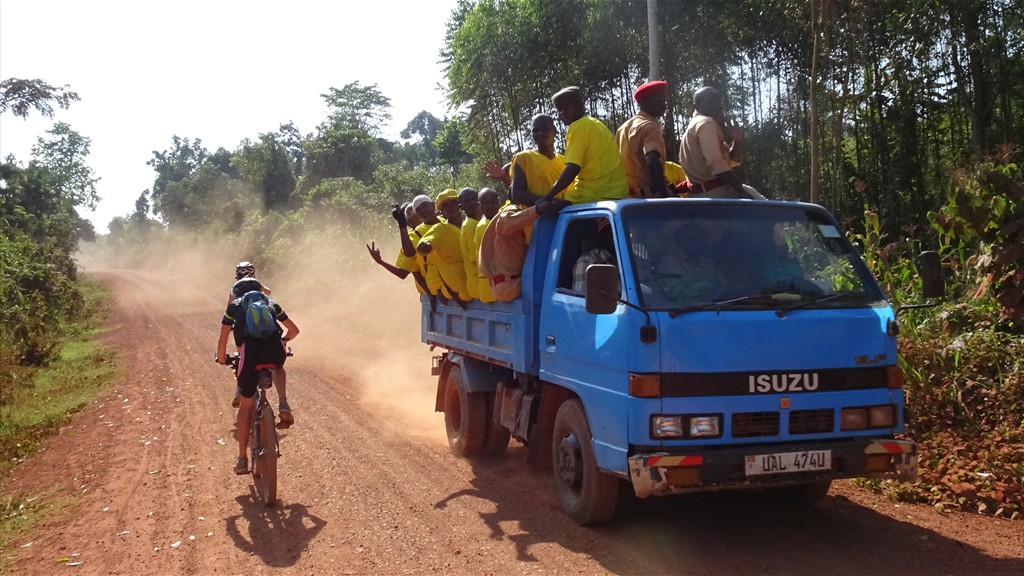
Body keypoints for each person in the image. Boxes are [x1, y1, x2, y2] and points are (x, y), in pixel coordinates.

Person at [217, 278, 300, 475]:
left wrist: (222, 359)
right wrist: (283, 340)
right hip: (274, 349)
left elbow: (223, 340)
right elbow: (294, 330)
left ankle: (242, 459)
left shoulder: (234, 307)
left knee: (246, 404)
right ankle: (283, 402)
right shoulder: (271, 304)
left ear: (236, 294)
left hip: (250, 354)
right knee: (278, 365)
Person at [541, 87, 628, 204]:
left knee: (548, 210)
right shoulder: (595, 123)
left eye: (566, 107)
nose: (562, 113)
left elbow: (572, 168)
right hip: (618, 193)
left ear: (579, 106)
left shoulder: (578, 127)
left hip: (592, 195)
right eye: (559, 109)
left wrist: (548, 196)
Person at [678, 86, 765, 199]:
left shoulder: (696, 125)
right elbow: (716, 163)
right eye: (710, 101)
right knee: (769, 211)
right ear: (696, 106)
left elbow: (731, 161)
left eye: (718, 102)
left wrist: (737, 140)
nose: (716, 105)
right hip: (716, 192)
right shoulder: (705, 123)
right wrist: (740, 191)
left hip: (703, 193)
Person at [479, 198, 571, 301]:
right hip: (509, 286)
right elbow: (505, 224)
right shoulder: (510, 211)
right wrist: (537, 209)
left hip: (505, 284)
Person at [616, 80, 671, 198]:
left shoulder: (623, 128)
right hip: (648, 198)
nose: (664, 105)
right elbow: (652, 160)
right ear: (645, 102)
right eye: (659, 101)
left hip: (627, 198)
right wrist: (664, 194)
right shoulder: (650, 126)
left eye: (664, 101)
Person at [415, 191, 470, 306]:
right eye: (445, 205)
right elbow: (426, 245)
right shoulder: (440, 229)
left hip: (472, 285)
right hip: (457, 293)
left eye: (452, 203)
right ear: (440, 210)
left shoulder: (468, 225)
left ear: (459, 205)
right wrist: (423, 246)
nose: (450, 207)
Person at [366, 202, 430, 294]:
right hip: (432, 293)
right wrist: (380, 261)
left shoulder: (436, 226)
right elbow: (410, 273)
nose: (414, 216)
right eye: (409, 216)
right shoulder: (410, 240)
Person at [472, 188, 502, 302]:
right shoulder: (484, 227)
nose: (490, 206)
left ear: (499, 202)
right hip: (492, 285)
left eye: (493, 202)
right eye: (486, 203)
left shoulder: (496, 219)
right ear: (480, 206)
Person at [572, 220, 617, 294]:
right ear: (603, 236)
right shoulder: (588, 262)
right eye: (612, 234)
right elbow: (581, 300)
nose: (616, 239)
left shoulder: (633, 261)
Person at [457, 187, 482, 300]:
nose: (472, 202)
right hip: (479, 283)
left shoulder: (476, 222)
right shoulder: (470, 225)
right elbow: (478, 259)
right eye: (467, 201)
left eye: (474, 198)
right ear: (461, 206)